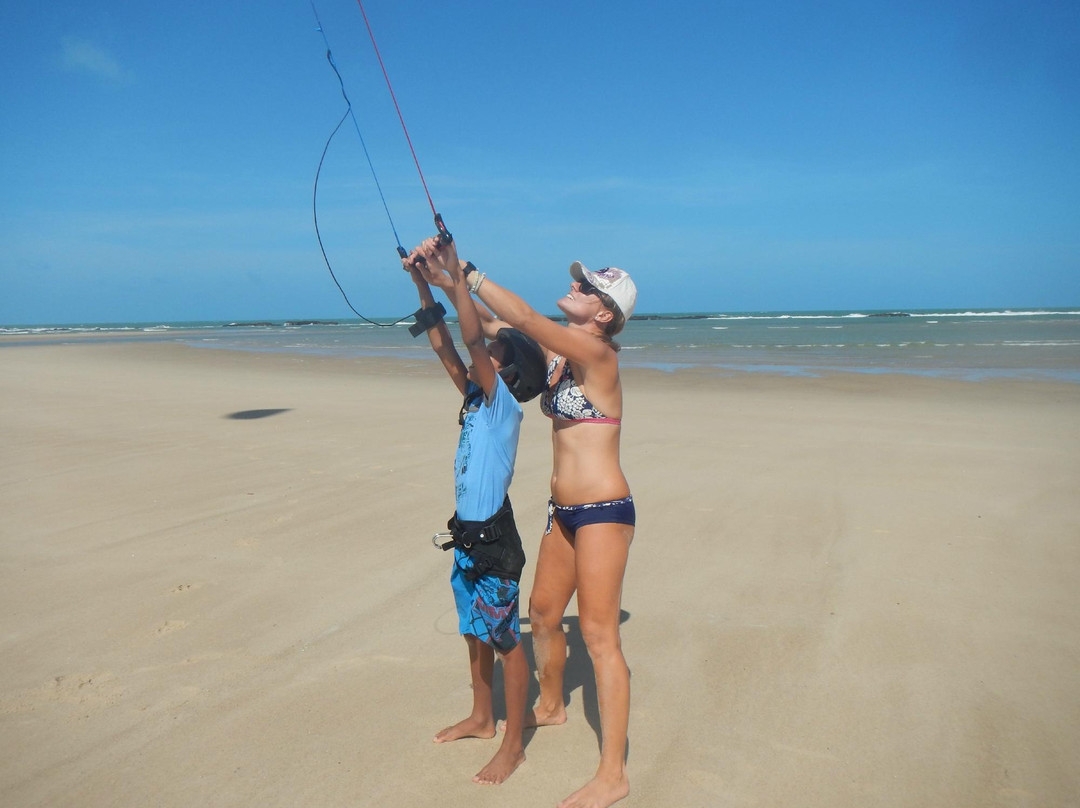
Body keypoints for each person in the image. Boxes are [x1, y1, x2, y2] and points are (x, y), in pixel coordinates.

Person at [417, 238, 637, 808]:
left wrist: (467, 269)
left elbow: (526, 319)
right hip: (563, 512)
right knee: (541, 613)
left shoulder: (598, 356)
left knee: (599, 636)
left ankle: (613, 774)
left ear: (604, 315)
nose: (576, 286)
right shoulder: (559, 356)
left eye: (588, 288)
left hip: (603, 511)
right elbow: (492, 326)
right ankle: (553, 705)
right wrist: (444, 283)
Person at [403, 242, 547, 786]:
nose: (486, 351)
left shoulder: (504, 406)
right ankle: (483, 718)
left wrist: (457, 276)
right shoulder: (475, 397)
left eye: (496, 351)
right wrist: (421, 283)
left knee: (507, 643)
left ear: (511, 373)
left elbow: (467, 338)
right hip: (465, 537)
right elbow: (445, 344)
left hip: (494, 545)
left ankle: (513, 746)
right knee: (474, 633)